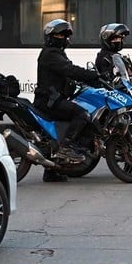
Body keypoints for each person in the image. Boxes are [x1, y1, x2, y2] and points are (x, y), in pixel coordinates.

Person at [35, 19, 102, 182]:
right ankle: (67, 146)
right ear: (50, 37)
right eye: (59, 35)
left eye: (65, 35)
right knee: (82, 114)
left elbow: (66, 73)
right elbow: (69, 70)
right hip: (48, 102)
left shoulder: (56, 53)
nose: (63, 38)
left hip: (53, 99)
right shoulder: (50, 53)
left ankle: (52, 170)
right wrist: (93, 75)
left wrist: (89, 81)